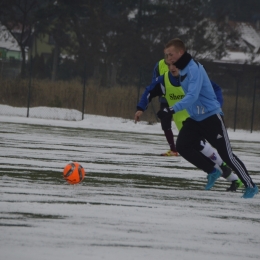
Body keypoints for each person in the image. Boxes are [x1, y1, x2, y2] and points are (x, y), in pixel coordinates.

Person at [157, 38, 258, 198]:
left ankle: (251, 185)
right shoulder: (182, 70)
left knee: (227, 156)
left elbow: (192, 96)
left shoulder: (193, 68)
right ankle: (212, 171)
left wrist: (171, 109)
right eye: (166, 55)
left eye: (170, 55)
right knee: (182, 146)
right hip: (196, 119)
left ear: (180, 53)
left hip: (211, 118)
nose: (168, 59)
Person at [135, 60, 243, 192]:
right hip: (183, 124)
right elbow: (150, 89)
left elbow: (215, 88)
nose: (172, 66)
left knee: (204, 149)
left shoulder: (192, 74)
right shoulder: (162, 75)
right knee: (201, 153)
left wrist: (216, 105)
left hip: (198, 119)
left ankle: (227, 171)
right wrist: (141, 107)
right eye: (170, 63)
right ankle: (232, 178)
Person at [151, 59, 177, 156]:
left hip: (180, 100)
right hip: (165, 100)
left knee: (186, 124)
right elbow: (154, 82)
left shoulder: (184, 62)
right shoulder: (159, 64)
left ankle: (194, 147)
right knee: (165, 124)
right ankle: (173, 150)